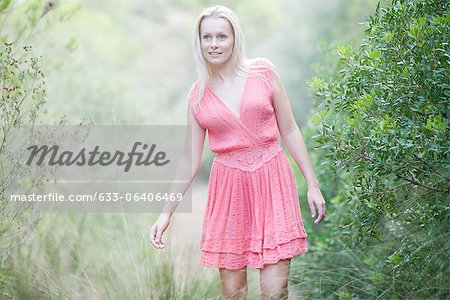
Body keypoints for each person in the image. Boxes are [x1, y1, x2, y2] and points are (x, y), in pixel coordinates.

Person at [150, 5, 326, 299]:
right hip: (229, 190)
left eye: (222, 36)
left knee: (274, 291)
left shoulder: (264, 72)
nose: (214, 44)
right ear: (199, 41)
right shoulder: (197, 94)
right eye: (207, 37)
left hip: (272, 180)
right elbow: (189, 158)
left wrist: (313, 184)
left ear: (235, 39)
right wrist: (165, 214)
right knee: (233, 292)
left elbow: (290, 129)